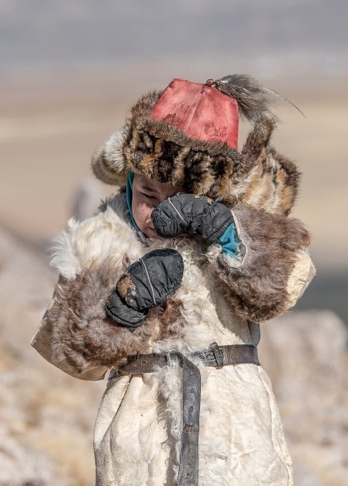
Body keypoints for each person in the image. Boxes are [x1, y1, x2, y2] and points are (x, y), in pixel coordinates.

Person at [31, 74, 316, 485]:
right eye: (148, 194)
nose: (160, 211)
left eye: (180, 197)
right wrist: (122, 309)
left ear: (210, 194)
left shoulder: (234, 230)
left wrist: (229, 234)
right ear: (130, 181)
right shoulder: (99, 241)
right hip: (140, 441)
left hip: (237, 436)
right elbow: (66, 352)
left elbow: (288, 285)